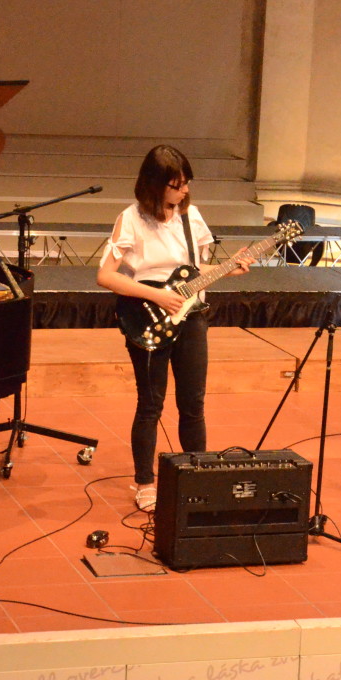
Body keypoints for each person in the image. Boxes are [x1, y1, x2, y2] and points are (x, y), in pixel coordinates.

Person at [95, 145, 251, 512]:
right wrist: (158, 296)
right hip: (147, 315)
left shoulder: (190, 216)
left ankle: (197, 476)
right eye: (176, 185)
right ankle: (145, 482)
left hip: (191, 316)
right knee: (151, 405)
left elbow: (195, 271)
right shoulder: (131, 219)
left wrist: (229, 269)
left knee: (193, 403)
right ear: (155, 184)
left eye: (186, 183)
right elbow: (105, 276)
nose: (184, 191)